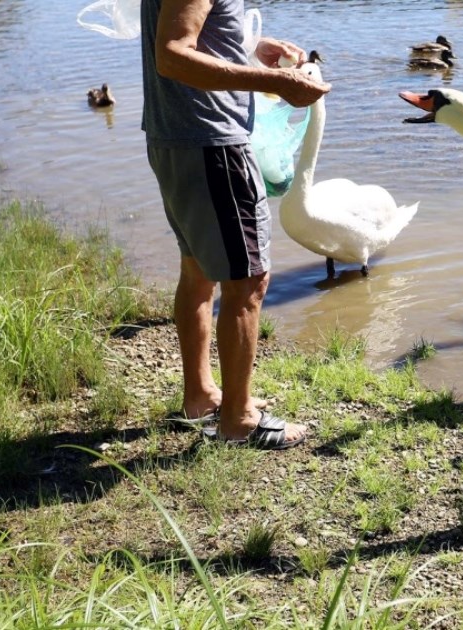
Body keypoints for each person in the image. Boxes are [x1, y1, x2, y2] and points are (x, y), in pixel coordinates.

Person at [141, 0, 330, 449]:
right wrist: (275, 82)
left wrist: (251, 46)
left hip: (177, 137)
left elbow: (190, 31)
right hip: (212, 143)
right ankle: (239, 420)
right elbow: (172, 54)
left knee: (199, 269)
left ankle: (201, 396)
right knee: (248, 281)